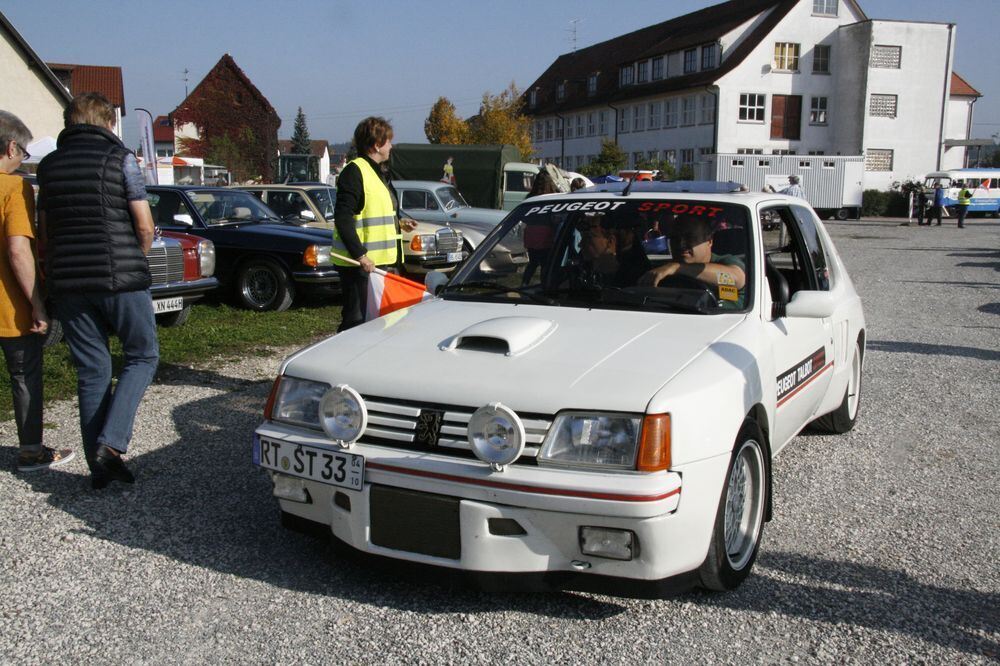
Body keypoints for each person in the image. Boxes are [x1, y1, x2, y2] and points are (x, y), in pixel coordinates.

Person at [36, 93, 160, 489]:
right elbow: (144, 225)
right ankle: (112, 444)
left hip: (69, 283)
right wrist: (136, 261)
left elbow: (44, 231)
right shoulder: (120, 158)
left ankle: (98, 471)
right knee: (142, 355)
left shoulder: (50, 166)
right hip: (120, 278)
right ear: (108, 123)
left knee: (92, 371)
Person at [0, 111, 74, 472]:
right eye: (23, 153)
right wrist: (36, 302)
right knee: (24, 375)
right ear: (11, 146)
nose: (22, 160)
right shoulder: (14, 188)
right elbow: (18, 250)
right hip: (8, 306)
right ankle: (30, 450)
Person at [332, 117, 418, 332]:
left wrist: (399, 222)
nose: (391, 146)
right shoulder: (355, 171)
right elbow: (343, 218)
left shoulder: (378, 173)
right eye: (388, 141)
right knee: (356, 323)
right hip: (360, 267)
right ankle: (342, 362)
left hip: (381, 265)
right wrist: (360, 255)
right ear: (377, 144)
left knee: (378, 323)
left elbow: (372, 212)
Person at [639, 215, 747, 306]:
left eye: (690, 237)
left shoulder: (726, 262)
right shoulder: (662, 273)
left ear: (709, 241)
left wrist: (677, 268)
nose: (681, 244)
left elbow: (736, 279)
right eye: (675, 238)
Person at [520, 171, 559, 286]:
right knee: (545, 263)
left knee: (532, 262)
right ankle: (544, 284)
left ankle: (524, 283)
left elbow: (524, 218)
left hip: (531, 233)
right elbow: (555, 218)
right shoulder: (552, 198)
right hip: (546, 232)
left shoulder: (530, 198)